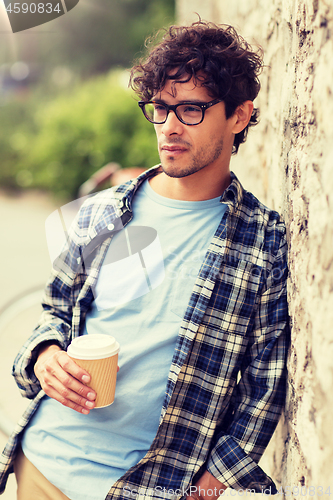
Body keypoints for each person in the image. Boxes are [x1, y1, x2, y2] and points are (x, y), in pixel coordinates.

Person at [0, 20, 289, 500]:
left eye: (191, 109)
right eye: (160, 109)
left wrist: (216, 477)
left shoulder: (262, 239)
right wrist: (45, 356)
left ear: (239, 116)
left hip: (147, 488)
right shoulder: (102, 211)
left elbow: (266, 378)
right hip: (43, 468)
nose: (170, 127)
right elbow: (54, 311)